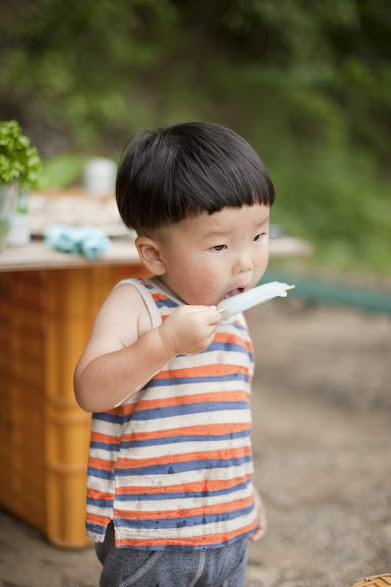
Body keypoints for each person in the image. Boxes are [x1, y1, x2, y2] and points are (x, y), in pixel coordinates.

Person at [74, 121, 275, 587]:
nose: (245, 261)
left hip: (228, 528)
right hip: (150, 532)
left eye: (259, 236)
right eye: (220, 245)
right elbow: (90, 390)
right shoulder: (136, 304)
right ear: (154, 254)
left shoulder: (233, 315)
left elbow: (223, 426)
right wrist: (164, 343)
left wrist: (245, 492)